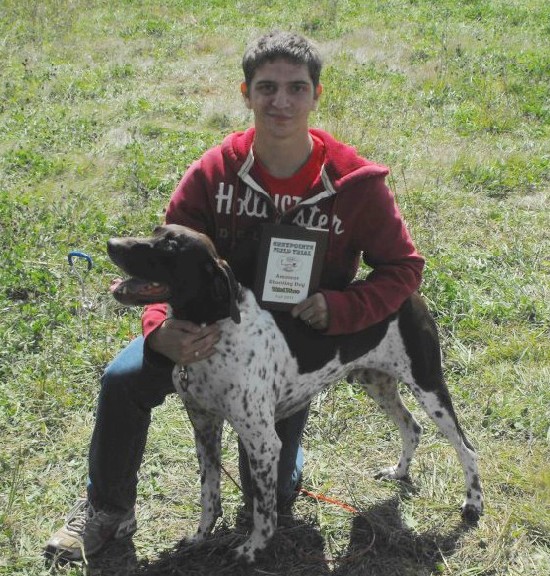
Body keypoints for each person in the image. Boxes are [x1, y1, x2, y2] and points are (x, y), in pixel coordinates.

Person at [45, 30, 424, 561]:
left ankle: (285, 454)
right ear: (246, 94)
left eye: (296, 88)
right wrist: (160, 329)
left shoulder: (354, 184)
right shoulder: (213, 172)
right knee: (123, 380)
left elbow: (404, 268)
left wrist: (342, 309)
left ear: (316, 94)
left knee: (270, 488)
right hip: (206, 329)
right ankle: (106, 510)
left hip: (294, 348)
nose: (281, 102)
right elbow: (165, 257)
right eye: (266, 87)